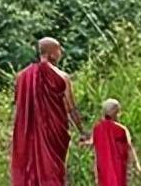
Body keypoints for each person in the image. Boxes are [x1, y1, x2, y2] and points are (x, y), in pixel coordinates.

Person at [10, 37, 89, 186]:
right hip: (53, 133)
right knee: (53, 171)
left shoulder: (22, 77)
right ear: (51, 53)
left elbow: (19, 107)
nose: (61, 52)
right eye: (59, 49)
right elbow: (71, 108)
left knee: (31, 171)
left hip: (28, 134)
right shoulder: (62, 77)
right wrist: (82, 131)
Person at [92, 98, 141, 186]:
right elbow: (129, 147)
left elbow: (95, 149)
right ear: (115, 113)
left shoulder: (97, 129)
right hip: (118, 168)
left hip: (104, 168)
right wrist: (136, 165)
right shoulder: (121, 129)